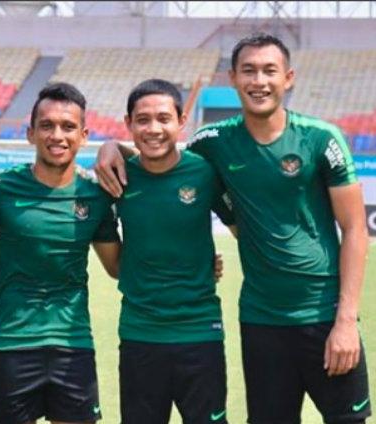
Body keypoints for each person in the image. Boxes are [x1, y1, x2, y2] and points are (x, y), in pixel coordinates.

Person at [95, 33, 371, 424]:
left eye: (269, 71)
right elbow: (161, 153)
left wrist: (346, 321)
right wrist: (111, 146)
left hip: (324, 313)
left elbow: (356, 229)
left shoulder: (321, 139)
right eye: (249, 71)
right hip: (260, 318)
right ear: (233, 78)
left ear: (288, 78)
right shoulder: (215, 142)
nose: (259, 81)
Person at [0, 83, 121, 424]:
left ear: (83, 136)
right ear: (30, 134)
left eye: (68, 127)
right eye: (47, 126)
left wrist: (190, 258)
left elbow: (117, 267)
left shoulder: (95, 196)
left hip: (74, 344)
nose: (57, 135)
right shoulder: (1, 190)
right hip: (14, 344)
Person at [114, 78, 234, 424]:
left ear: (181, 121)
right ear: (128, 124)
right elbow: (112, 263)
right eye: (143, 120)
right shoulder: (117, 177)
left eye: (164, 119)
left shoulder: (204, 172)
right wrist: (111, 147)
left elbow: (246, 232)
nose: (154, 129)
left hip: (200, 333)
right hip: (140, 334)